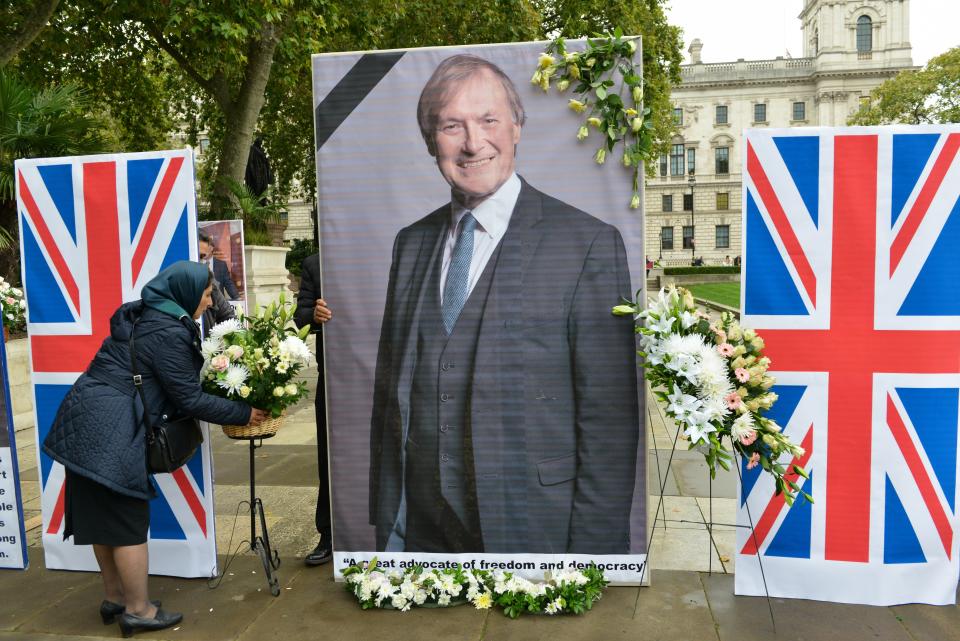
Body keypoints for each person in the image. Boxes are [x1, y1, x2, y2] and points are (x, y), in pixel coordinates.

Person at [369, 54, 639, 555]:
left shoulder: (586, 242)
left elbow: (610, 420)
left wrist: (595, 555)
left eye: (489, 120)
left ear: (517, 127)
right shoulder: (410, 243)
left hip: (537, 525)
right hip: (421, 533)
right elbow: (392, 394)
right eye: (452, 125)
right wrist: (387, 520)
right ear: (432, 141)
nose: (474, 143)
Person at [41, 261, 266, 637]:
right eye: (207, 293)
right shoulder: (168, 332)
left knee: (101, 517)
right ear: (186, 292)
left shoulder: (145, 313)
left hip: (83, 421)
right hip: (112, 430)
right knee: (128, 521)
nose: (210, 301)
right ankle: (138, 610)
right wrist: (244, 412)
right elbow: (189, 398)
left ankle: (115, 598)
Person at [293, 252, 334, 566]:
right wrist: (313, 315)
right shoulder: (315, 264)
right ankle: (329, 533)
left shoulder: (385, 245)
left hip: (386, 372)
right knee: (329, 457)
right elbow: (300, 316)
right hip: (335, 378)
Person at [198, 232, 240, 300]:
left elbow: (228, 283)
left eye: (207, 246)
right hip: (202, 301)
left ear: (211, 248)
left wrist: (237, 298)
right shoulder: (196, 263)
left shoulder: (221, 264)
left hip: (219, 302)